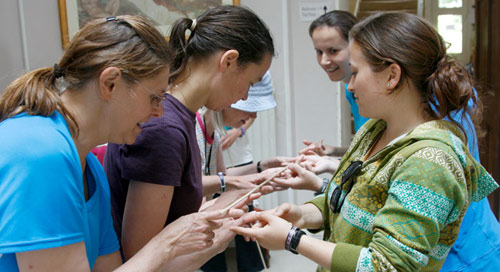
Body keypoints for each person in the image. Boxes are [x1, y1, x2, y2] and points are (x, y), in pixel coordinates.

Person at [231, 12, 499, 271]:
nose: (350, 85)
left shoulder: (430, 162)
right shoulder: (374, 129)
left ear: (392, 76)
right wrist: (300, 215)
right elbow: (347, 200)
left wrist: (293, 239)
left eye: (356, 73)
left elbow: (386, 265)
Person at [0, 15, 243, 271]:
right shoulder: (40, 152)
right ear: (110, 83)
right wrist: (168, 241)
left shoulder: (90, 169)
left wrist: (216, 238)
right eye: (155, 97)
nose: (159, 112)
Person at [104, 5, 275, 271]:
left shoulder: (178, 117)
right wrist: (223, 234)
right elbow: (143, 256)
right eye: (250, 83)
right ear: (228, 61)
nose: (244, 97)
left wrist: (237, 196)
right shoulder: (165, 129)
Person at [198, 71, 277, 272]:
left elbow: (221, 176)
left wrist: (264, 166)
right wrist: (242, 182)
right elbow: (199, 183)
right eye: (250, 108)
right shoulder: (192, 128)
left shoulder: (213, 133)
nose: (253, 116)